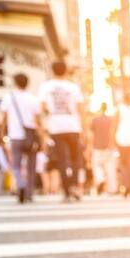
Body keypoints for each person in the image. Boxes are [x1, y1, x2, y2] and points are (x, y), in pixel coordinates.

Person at [38, 60, 86, 201]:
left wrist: (43, 127)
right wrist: (84, 128)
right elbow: (81, 109)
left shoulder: (46, 86)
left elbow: (42, 109)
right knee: (76, 159)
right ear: (66, 71)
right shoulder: (73, 87)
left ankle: (66, 191)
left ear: (52, 71)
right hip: (73, 126)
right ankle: (74, 186)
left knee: (62, 160)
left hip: (56, 127)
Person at [0, 73, 42, 203]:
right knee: (31, 166)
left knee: (15, 165)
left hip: (15, 136)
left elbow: (3, 118)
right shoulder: (33, 99)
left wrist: (1, 131)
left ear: (15, 83)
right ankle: (29, 193)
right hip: (31, 136)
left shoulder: (9, 97)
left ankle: (20, 185)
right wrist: (42, 138)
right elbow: (39, 121)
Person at [89, 103, 118, 195]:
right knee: (110, 168)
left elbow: (91, 135)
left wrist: (89, 147)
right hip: (109, 147)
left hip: (97, 146)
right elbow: (114, 132)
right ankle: (112, 188)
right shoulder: (111, 120)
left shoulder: (95, 120)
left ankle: (100, 179)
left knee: (97, 166)